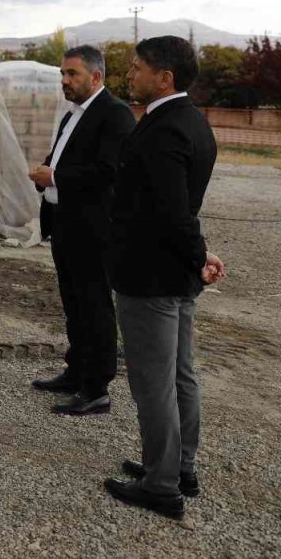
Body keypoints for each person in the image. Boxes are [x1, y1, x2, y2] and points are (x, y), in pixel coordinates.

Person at [101, 36, 222, 520]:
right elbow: (179, 210)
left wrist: (198, 257)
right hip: (172, 271)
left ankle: (161, 484)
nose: (130, 75)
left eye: (137, 68)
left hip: (151, 277)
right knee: (179, 375)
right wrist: (198, 256)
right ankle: (179, 467)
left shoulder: (166, 129)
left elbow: (172, 214)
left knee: (155, 383)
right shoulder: (191, 121)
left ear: (164, 77)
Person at [28, 46, 136, 416]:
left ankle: (97, 388)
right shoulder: (72, 114)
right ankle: (76, 372)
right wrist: (47, 171)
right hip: (65, 223)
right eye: (63, 73)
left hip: (93, 229)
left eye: (72, 74)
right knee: (73, 304)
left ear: (96, 77)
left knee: (95, 307)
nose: (64, 81)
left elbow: (109, 173)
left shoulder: (115, 115)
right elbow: (61, 157)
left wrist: (54, 176)